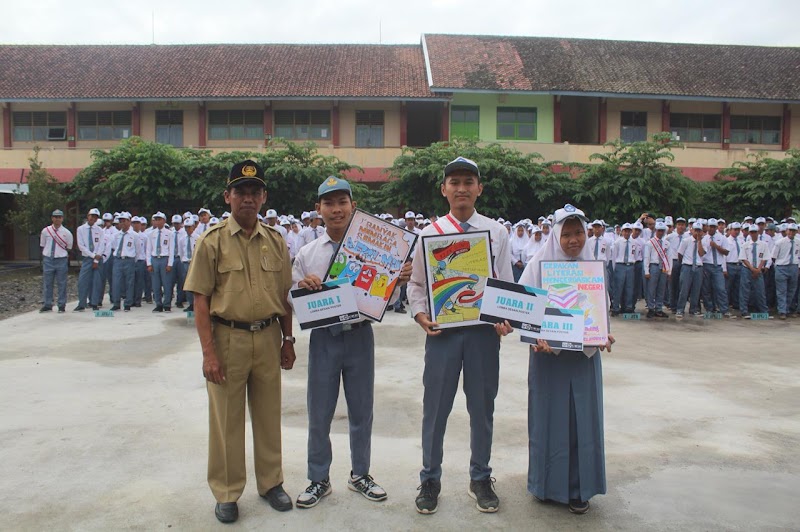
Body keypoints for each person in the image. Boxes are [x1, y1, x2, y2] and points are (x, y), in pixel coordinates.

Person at [183, 160, 296, 524]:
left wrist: (288, 339)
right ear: (227, 196)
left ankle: (271, 483)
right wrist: (208, 354)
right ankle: (228, 492)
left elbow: (285, 295)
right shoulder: (211, 241)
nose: (248, 199)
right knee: (226, 421)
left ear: (263, 197)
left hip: (267, 337)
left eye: (254, 192)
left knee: (268, 416)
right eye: (241, 192)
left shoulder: (276, 241)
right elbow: (200, 299)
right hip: (227, 337)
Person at [291, 176, 412, 509]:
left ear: (353, 207)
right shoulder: (307, 254)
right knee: (319, 411)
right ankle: (319, 478)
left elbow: (387, 299)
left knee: (362, 410)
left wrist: (396, 281)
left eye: (342, 202)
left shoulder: (377, 250)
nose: (336, 209)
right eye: (328, 203)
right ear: (319, 210)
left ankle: (360, 474)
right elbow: (292, 298)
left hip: (360, 336)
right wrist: (304, 287)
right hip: (324, 339)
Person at [407, 156, 513, 515]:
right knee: (435, 409)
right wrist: (421, 314)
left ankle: (480, 476)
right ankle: (430, 477)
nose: (462, 188)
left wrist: (505, 317)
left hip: (483, 335)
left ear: (479, 189)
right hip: (442, 334)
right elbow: (418, 284)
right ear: (444, 190)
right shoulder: (429, 234)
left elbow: (506, 283)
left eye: (469, 181)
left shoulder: (497, 232)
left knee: (482, 407)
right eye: (454, 182)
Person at [519, 204, 612, 514]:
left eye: (579, 233)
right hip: (549, 358)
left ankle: (578, 489)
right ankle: (545, 485)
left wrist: (604, 334)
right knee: (548, 418)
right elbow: (523, 307)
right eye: (567, 234)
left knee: (581, 421)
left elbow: (601, 310)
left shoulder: (592, 267)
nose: (574, 240)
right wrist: (536, 337)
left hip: (583, 359)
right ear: (556, 235)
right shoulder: (538, 264)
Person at [39, 209, 74, 313]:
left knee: (62, 283)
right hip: (49, 259)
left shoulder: (67, 233)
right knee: (47, 283)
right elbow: (43, 245)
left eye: (59, 217)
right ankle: (47, 304)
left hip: (61, 259)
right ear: (52, 218)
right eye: (55, 217)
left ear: (62, 219)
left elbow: (69, 247)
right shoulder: (46, 231)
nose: (57, 219)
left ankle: (61, 304)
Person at [700, 218, 733, 318]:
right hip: (707, 265)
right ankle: (709, 309)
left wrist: (716, 246)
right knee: (706, 289)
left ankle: (724, 309)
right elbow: (701, 253)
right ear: (707, 227)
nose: (712, 229)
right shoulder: (704, 239)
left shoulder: (722, 238)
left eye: (714, 227)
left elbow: (726, 252)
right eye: (710, 226)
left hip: (717, 266)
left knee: (721, 288)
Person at [75, 208, 105, 311]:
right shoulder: (81, 229)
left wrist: (96, 259)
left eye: (95, 217)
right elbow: (81, 245)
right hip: (87, 258)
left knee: (96, 281)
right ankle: (82, 303)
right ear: (88, 216)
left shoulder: (100, 230)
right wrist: (93, 256)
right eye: (91, 216)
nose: (93, 218)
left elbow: (101, 245)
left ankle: (94, 303)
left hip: (97, 258)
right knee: (82, 281)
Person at [675, 222, 705, 319]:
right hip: (687, 266)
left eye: (699, 231)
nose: (697, 232)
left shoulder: (703, 241)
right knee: (684, 289)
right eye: (695, 230)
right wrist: (684, 263)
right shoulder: (686, 240)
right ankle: (680, 309)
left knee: (696, 290)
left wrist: (699, 241)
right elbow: (680, 254)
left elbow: (701, 253)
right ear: (691, 230)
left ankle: (693, 309)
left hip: (698, 267)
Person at [145, 212, 175, 312]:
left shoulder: (169, 233)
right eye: (156, 219)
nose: (157, 221)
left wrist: (170, 264)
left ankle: (167, 304)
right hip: (154, 258)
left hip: (164, 258)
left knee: (166, 283)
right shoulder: (151, 234)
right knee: (155, 284)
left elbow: (171, 250)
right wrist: (148, 263)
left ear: (164, 221)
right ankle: (158, 304)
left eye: (159, 219)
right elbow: (148, 249)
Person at [739, 225, 769, 319]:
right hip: (747, 269)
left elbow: (764, 258)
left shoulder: (763, 245)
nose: (753, 234)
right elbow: (743, 258)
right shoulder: (745, 245)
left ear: (758, 232)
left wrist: (758, 269)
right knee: (745, 290)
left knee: (760, 290)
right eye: (751, 232)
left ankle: (763, 310)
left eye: (755, 232)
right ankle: (744, 311)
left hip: (758, 269)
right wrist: (752, 269)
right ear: (749, 233)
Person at [109, 212, 137, 312]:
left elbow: (137, 250)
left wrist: (134, 260)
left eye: (124, 221)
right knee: (116, 282)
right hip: (118, 259)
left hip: (129, 260)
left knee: (129, 282)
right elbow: (113, 247)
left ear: (129, 222)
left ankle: (128, 303)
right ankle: (116, 303)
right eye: (120, 221)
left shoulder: (134, 235)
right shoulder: (116, 235)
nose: (122, 223)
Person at [643, 222, 671, 318]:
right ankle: (651, 308)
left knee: (661, 288)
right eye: (659, 230)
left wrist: (669, 270)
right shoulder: (650, 243)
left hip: (663, 266)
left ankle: (659, 308)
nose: (660, 232)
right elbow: (646, 257)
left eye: (662, 231)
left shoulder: (667, 243)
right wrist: (646, 271)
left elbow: (669, 257)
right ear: (656, 231)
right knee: (651, 288)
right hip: (653, 266)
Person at [771, 223, 799, 319]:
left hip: (794, 267)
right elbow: (774, 257)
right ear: (787, 231)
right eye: (790, 230)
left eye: (793, 231)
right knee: (781, 290)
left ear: (796, 232)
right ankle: (782, 311)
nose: (791, 232)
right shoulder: (780, 242)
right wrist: (778, 266)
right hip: (782, 266)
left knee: (792, 290)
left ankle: (787, 309)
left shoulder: (798, 242)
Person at [610, 223, 636, 315]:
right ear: (622, 231)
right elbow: (614, 256)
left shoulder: (634, 242)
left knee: (629, 287)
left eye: (629, 231)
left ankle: (628, 307)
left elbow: (635, 255)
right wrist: (614, 268)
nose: (627, 233)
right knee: (618, 287)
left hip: (630, 265)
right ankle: (616, 307)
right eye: (625, 231)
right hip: (620, 265)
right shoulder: (617, 242)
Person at [178, 217, 197, 312]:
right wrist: (184, 260)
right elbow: (181, 252)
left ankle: (196, 303)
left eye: (189, 227)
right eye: (186, 227)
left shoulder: (198, 237)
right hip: (186, 262)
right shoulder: (182, 239)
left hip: (195, 263)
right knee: (187, 284)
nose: (187, 229)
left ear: (193, 227)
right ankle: (191, 303)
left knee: (195, 284)